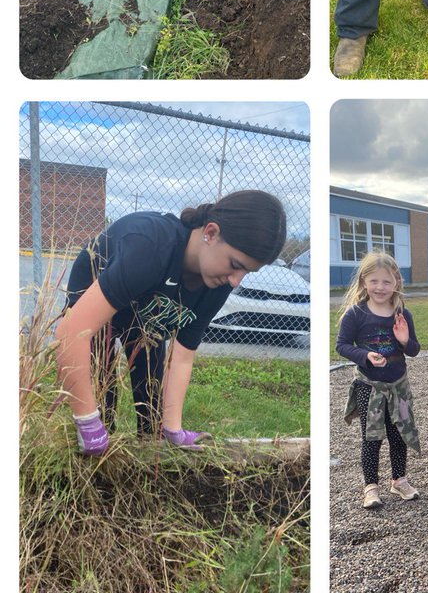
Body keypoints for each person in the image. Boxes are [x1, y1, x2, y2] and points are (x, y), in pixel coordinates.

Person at [57, 190, 286, 454]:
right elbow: (71, 334)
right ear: (210, 233)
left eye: (247, 271)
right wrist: (87, 421)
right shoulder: (151, 246)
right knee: (100, 404)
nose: (236, 281)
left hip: (149, 307)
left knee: (152, 412)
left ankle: (150, 450)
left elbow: (183, 355)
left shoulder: (219, 281)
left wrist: (173, 429)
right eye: (235, 264)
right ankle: (96, 449)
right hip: (101, 289)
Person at [336, 252, 422, 509]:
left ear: (396, 282)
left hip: (398, 386)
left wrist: (405, 339)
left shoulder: (402, 315)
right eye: (374, 281)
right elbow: (341, 345)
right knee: (371, 436)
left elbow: (414, 350)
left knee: (399, 434)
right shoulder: (356, 314)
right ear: (364, 282)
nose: (380, 287)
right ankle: (371, 486)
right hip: (368, 386)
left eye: (386, 282)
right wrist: (365, 355)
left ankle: (399, 480)